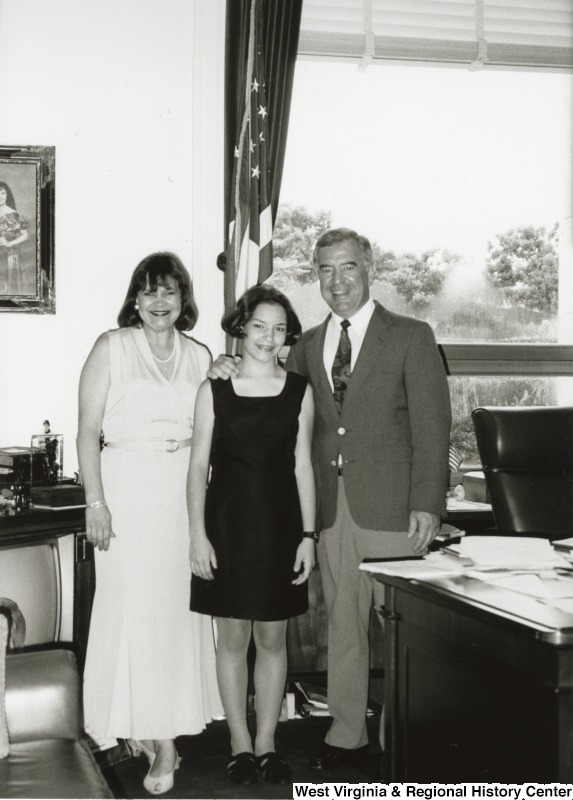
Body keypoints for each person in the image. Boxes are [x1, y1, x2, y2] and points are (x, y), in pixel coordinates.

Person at [208, 228, 452, 771]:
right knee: (344, 622)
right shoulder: (307, 345)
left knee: (403, 631)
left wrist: (428, 502)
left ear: (368, 267)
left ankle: (402, 737)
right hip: (329, 509)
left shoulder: (411, 335)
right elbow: (271, 398)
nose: (336, 281)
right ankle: (347, 736)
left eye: (346, 267)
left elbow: (435, 428)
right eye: (325, 270)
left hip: (394, 507)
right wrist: (222, 366)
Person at [77, 252, 222, 796]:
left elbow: (212, 425)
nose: (160, 302)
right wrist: (97, 503)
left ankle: (157, 729)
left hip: (182, 490)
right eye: (149, 292)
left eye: (170, 292)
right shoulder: (111, 347)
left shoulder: (200, 354)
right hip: (125, 489)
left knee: (172, 615)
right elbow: (87, 430)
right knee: (133, 612)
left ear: (185, 300)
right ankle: (156, 739)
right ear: (134, 300)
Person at [189, 285, 316, 785]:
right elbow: (198, 466)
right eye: (260, 326)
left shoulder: (299, 390)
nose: (269, 337)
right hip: (225, 527)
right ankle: (238, 743)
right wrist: (197, 535)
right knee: (232, 638)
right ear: (241, 328)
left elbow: (303, 466)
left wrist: (309, 535)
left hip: (280, 528)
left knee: (272, 636)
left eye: (280, 328)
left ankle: (266, 742)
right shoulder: (213, 389)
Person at [0, 181, 29, 294]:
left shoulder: (13, 214)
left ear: (7, 195)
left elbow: (25, 235)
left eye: (2, 193)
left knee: (8, 291)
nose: (0, 197)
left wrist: (8, 243)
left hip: (10, 256)